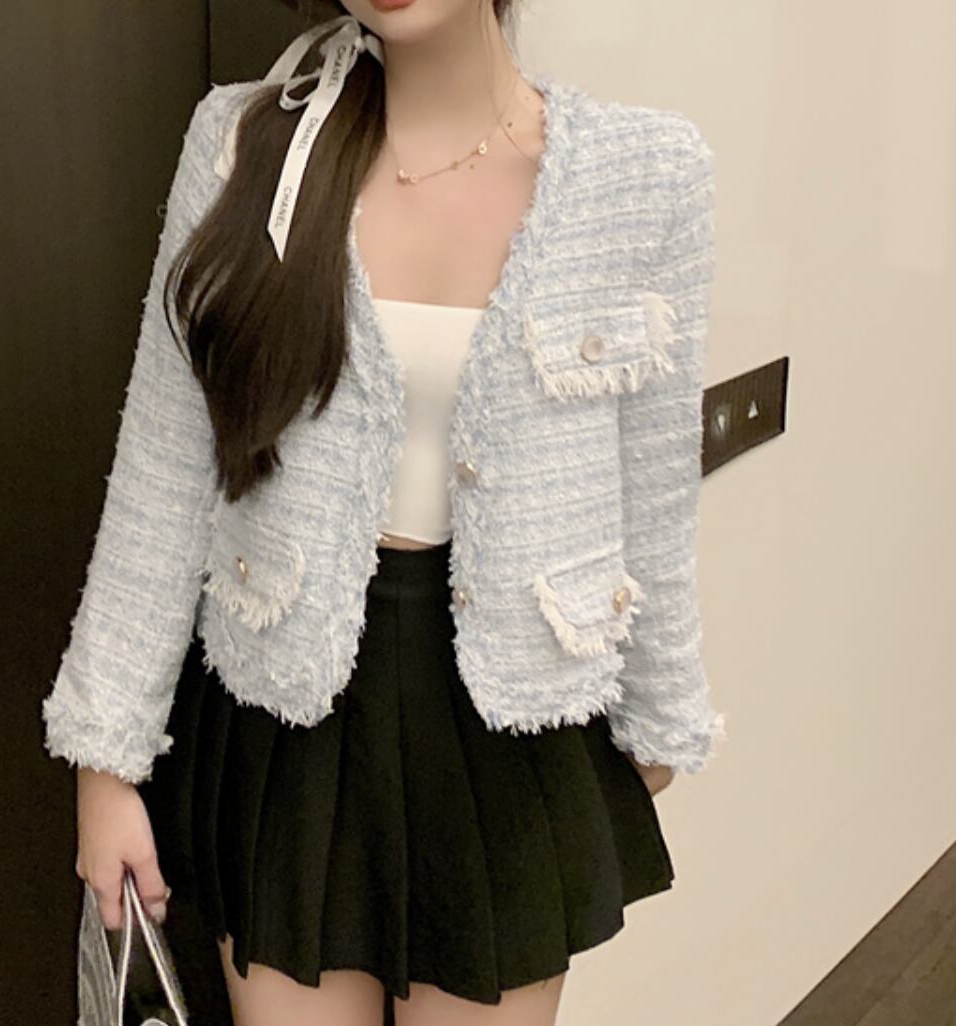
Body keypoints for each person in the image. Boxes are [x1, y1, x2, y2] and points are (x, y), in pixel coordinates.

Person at [43, 1, 727, 1023]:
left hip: (512, 726)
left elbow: (655, 488)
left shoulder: (646, 174)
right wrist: (104, 764)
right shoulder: (244, 144)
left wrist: (659, 718)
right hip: (287, 718)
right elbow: (163, 470)